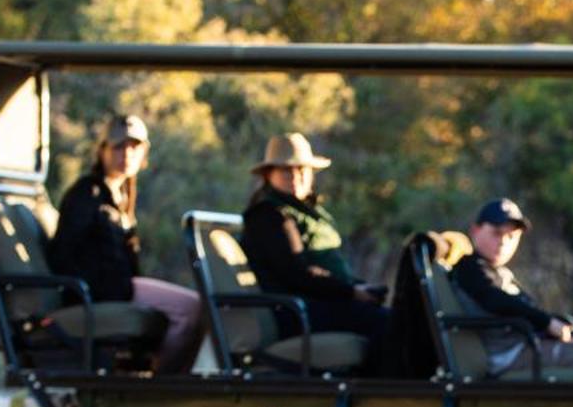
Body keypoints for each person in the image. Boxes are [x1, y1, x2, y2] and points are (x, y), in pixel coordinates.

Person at [47, 114, 208, 372]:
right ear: (102, 151)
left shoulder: (122, 195)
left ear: (144, 154)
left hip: (121, 288)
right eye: (118, 146)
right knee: (192, 310)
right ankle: (161, 391)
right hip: (103, 292)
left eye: (134, 147)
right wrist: (97, 291)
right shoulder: (86, 193)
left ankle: (151, 375)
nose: (127, 154)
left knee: (197, 307)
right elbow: (64, 255)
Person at [238, 133, 390, 366]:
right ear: (269, 174)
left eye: (302, 169)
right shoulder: (269, 215)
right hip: (294, 312)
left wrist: (356, 287)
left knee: (387, 314)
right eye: (286, 170)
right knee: (386, 322)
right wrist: (351, 293)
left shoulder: (304, 211)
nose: (295, 176)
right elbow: (297, 274)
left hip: (315, 303)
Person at [450, 197, 573, 383]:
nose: (504, 242)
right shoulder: (469, 268)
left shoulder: (499, 272)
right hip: (510, 353)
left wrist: (557, 325)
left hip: (527, 344)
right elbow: (493, 299)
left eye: (511, 236)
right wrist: (546, 322)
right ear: (475, 230)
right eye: (497, 233)